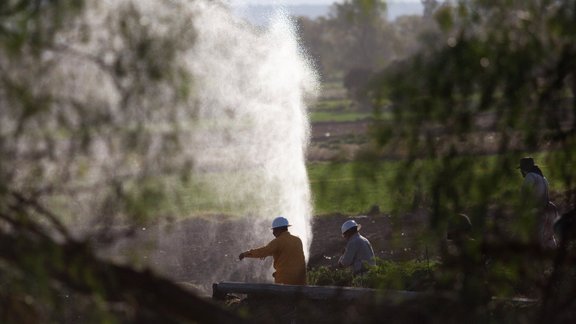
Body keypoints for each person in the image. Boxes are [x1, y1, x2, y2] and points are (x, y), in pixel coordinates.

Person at [238, 216, 307, 285]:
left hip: (285, 281)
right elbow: (285, 252)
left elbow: (263, 251)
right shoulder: (297, 240)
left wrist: (246, 254)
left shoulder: (278, 242)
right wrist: (268, 253)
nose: (273, 232)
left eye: (274, 230)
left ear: (279, 229)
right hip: (301, 282)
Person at [518, 157, 557, 248]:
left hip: (538, 212)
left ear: (524, 169)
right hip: (550, 209)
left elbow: (524, 194)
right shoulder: (543, 178)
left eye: (521, 169)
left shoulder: (530, 176)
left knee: (537, 241)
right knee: (549, 238)